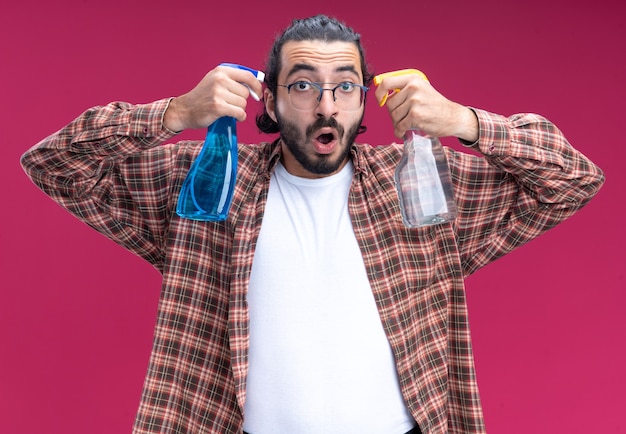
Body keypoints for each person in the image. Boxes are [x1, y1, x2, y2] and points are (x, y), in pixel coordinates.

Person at [21, 14, 604, 434]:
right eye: (302, 85)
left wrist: (465, 121)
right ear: (269, 102)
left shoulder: (422, 183)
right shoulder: (205, 183)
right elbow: (55, 166)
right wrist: (173, 113)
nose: (326, 105)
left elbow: (572, 179)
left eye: (344, 86)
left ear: (363, 100)